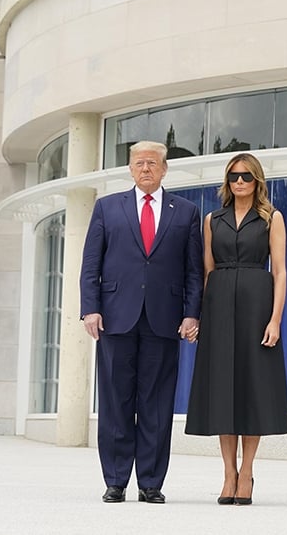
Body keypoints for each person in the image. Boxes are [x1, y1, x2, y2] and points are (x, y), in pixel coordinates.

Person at [80, 140, 203, 504]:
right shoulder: (106, 208)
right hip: (116, 317)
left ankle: (151, 483)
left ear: (165, 169)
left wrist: (191, 312)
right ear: (130, 169)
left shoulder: (186, 211)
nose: (146, 168)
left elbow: (194, 270)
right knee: (116, 400)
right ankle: (115, 480)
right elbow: (91, 265)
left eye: (152, 163)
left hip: (164, 320)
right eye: (139, 163)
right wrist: (90, 308)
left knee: (157, 402)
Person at [185, 152, 287, 505]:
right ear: (227, 182)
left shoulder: (271, 218)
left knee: (253, 390)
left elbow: (280, 271)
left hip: (256, 305)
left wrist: (275, 319)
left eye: (246, 176)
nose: (240, 182)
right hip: (218, 308)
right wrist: (199, 316)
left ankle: (247, 472)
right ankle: (228, 473)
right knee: (223, 394)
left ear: (257, 179)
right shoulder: (213, 220)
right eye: (233, 176)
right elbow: (207, 270)